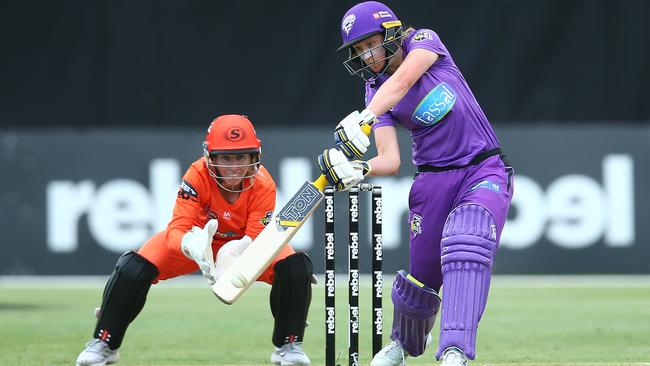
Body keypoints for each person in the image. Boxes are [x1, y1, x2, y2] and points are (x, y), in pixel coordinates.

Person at [318, 2, 514, 365]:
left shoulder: (424, 41)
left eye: (369, 43)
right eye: (358, 50)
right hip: (432, 180)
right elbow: (389, 160)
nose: (366, 55)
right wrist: (358, 170)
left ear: (391, 32)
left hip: (481, 168)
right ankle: (403, 345)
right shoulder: (373, 91)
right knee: (421, 278)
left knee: (466, 242)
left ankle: (454, 349)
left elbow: (404, 80)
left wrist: (366, 116)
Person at [76, 115, 314, 366]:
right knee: (132, 268)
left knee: (295, 267)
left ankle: (289, 346)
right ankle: (104, 343)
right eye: (225, 158)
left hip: (245, 247)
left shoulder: (264, 184)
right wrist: (193, 244)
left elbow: (256, 241)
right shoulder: (197, 174)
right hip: (198, 243)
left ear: (254, 157)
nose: (233, 166)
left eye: (241, 157)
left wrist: (230, 259)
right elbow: (177, 228)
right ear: (210, 157)